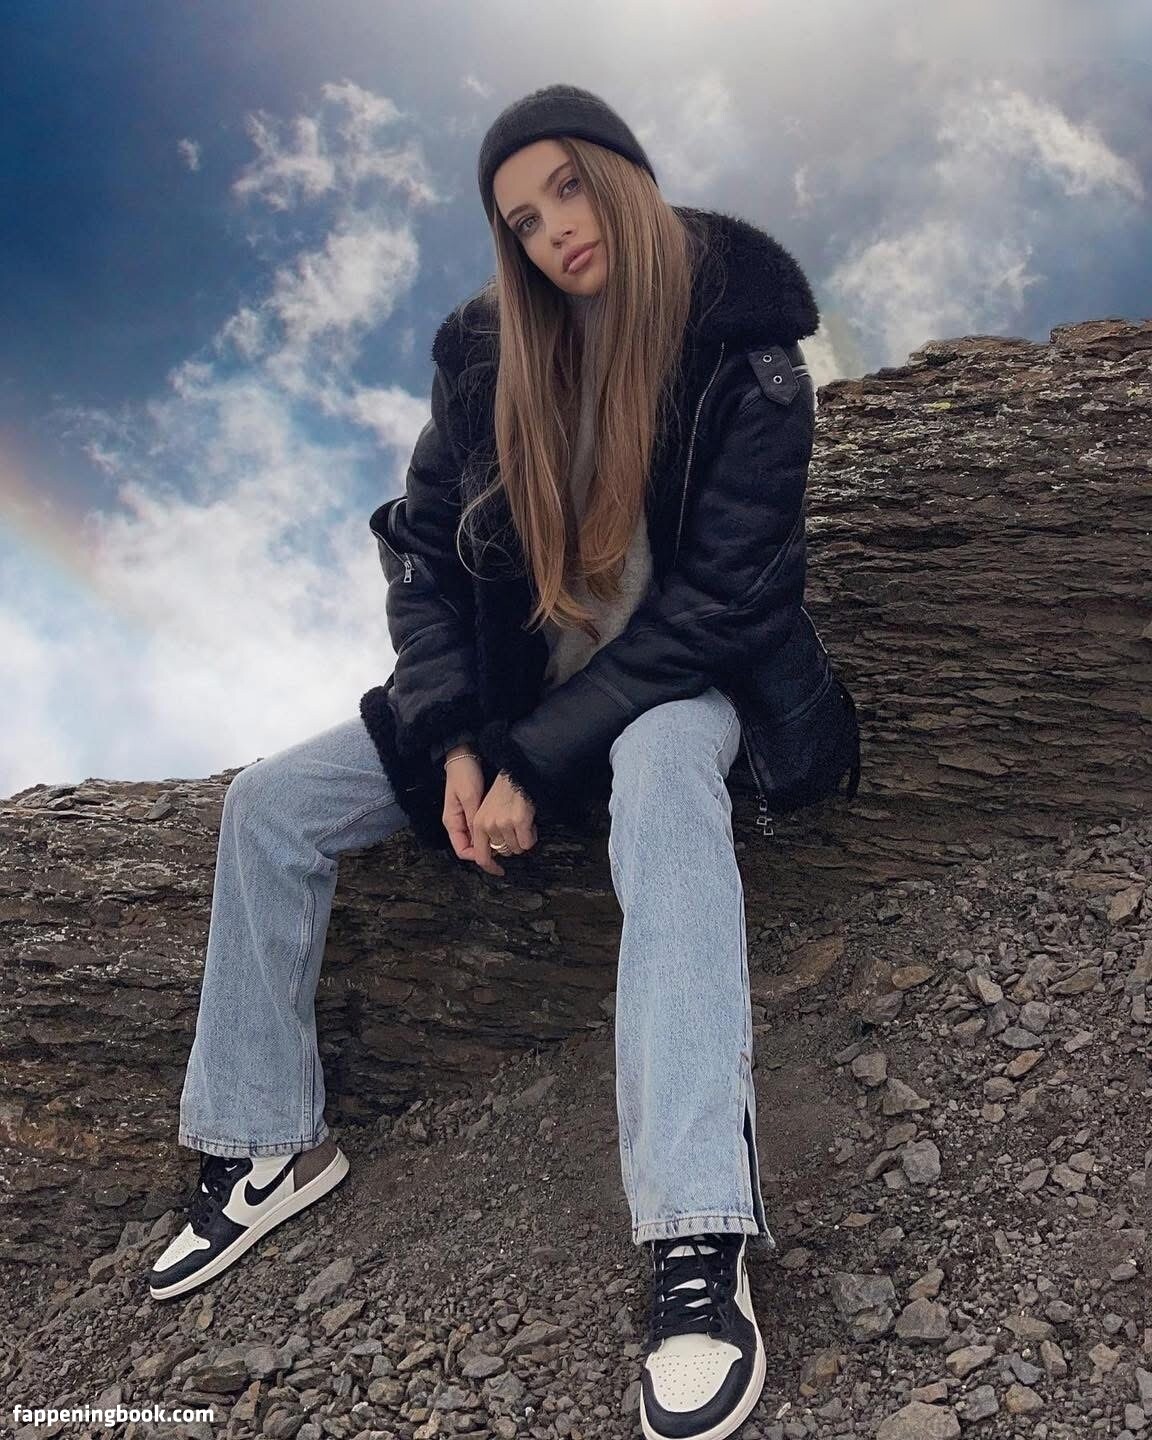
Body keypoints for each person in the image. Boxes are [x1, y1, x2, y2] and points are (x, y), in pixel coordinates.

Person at [148, 83, 860, 1440]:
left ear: (621, 174)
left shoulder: (747, 353)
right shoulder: (489, 360)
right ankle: (267, 1141)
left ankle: (698, 1240)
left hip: (682, 688)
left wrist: (532, 758)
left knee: (662, 777)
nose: (553, 231)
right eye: (521, 220)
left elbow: (725, 608)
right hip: (519, 703)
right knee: (268, 806)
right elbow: (423, 557)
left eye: (568, 189)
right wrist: (462, 742)